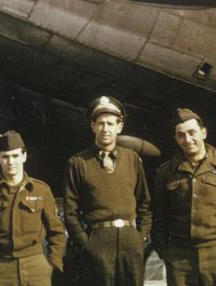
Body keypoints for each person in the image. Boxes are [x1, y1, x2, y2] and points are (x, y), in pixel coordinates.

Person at [152, 107, 216, 286]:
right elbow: (158, 216)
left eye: (192, 133)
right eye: (181, 135)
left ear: (204, 133)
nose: (188, 139)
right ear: (176, 138)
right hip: (180, 259)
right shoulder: (166, 172)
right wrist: (165, 251)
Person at [63, 95, 152, 286]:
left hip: (130, 243)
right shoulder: (78, 163)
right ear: (93, 126)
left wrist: (141, 236)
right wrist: (87, 244)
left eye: (111, 124)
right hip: (98, 243)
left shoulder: (133, 159)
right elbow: (70, 212)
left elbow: (144, 202)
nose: (105, 129)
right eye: (101, 123)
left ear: (119, 127)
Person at [0, 130, 66, 286]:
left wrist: (53, 264)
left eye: (15, 156)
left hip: (36, 267)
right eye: (5, 157)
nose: (11, 162)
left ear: (24, 157)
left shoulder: (41, 190)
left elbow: (57, 232)